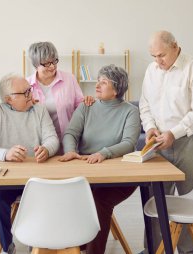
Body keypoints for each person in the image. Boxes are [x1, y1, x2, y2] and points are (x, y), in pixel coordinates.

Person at [139, 31, 193, 254]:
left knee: (190, 200)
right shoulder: (151, 71)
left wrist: (174, 133)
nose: (157, 61)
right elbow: (145, 104)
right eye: (153, 56)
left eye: (161, 55)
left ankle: (189, 251)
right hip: (158, 142)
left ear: (175, 47)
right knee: (156, 200)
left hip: (189, 142)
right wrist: (149, 127)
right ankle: (154, 250)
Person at [0, 73, 59, 254]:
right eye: (25, 92)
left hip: (37, 179)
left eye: (30, 90)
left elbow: (52, 139)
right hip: (7, 179)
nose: (30, 95)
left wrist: (47, 149)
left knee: (48, 200)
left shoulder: (39, 110)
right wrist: (5, 154)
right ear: (8, 99)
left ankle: (36, 245)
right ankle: (7, 246)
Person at [59, 65, 141, 254]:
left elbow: (129, 143)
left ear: (116, 89)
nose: (97, 85)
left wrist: (103, 153)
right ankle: (71, 245)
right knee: (70, 197)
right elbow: (71, 133)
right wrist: (71, 150)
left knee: (98, 200)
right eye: (98, 80)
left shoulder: (130, 111)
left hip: (119, 176)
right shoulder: (86, 106)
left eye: (104, 82)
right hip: (86, 171)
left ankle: (86, 249)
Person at [26, 41, 93, 145]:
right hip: (40, 145)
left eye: (54, 61)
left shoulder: (69, 79)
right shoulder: (26, 85)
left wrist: (87, 101)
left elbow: (80, 106)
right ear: (36, 65)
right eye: (47, 63)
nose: (52, 66)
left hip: (68, 142)